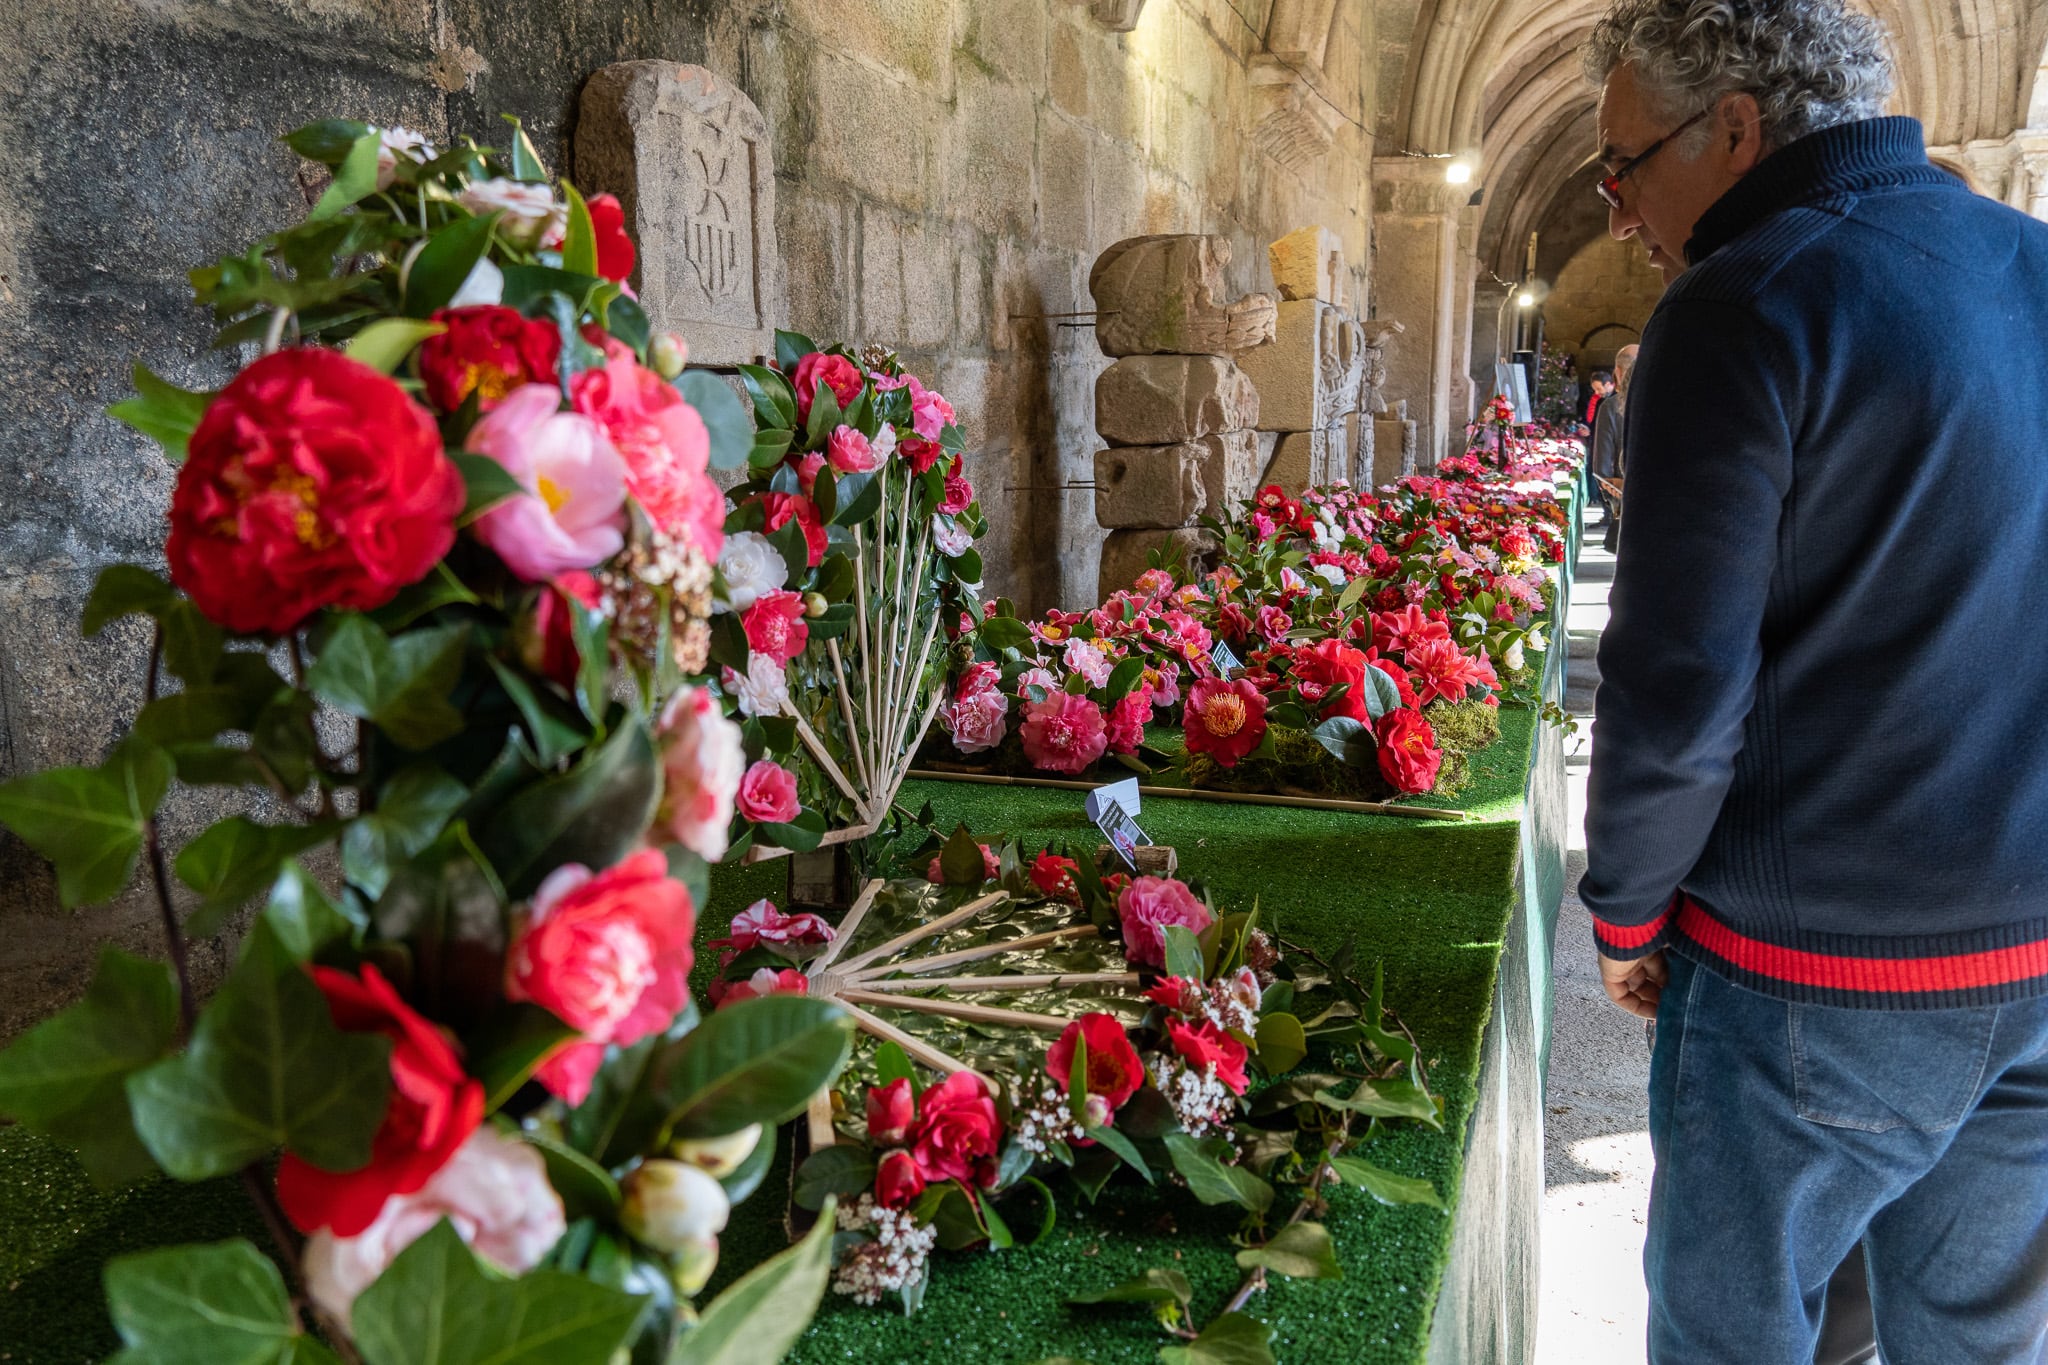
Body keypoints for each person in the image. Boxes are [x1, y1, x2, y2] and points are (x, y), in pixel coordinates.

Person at [1578, 2, 2048, 1363]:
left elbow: (1678, 684)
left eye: (1626, 165)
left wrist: (1624, 912)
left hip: (1818, 975)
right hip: (2032, 947)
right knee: (1979, 1342)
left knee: (1740, 1333)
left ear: (1734, 127)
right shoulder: (2034, 264)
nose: (1618, 212)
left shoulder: (1741, 304)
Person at [1589, 344, 1637, 550]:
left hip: (1627, 505)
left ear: (1617, 372)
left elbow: (1602, 470)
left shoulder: (1612, 406)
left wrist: (1613, 504)